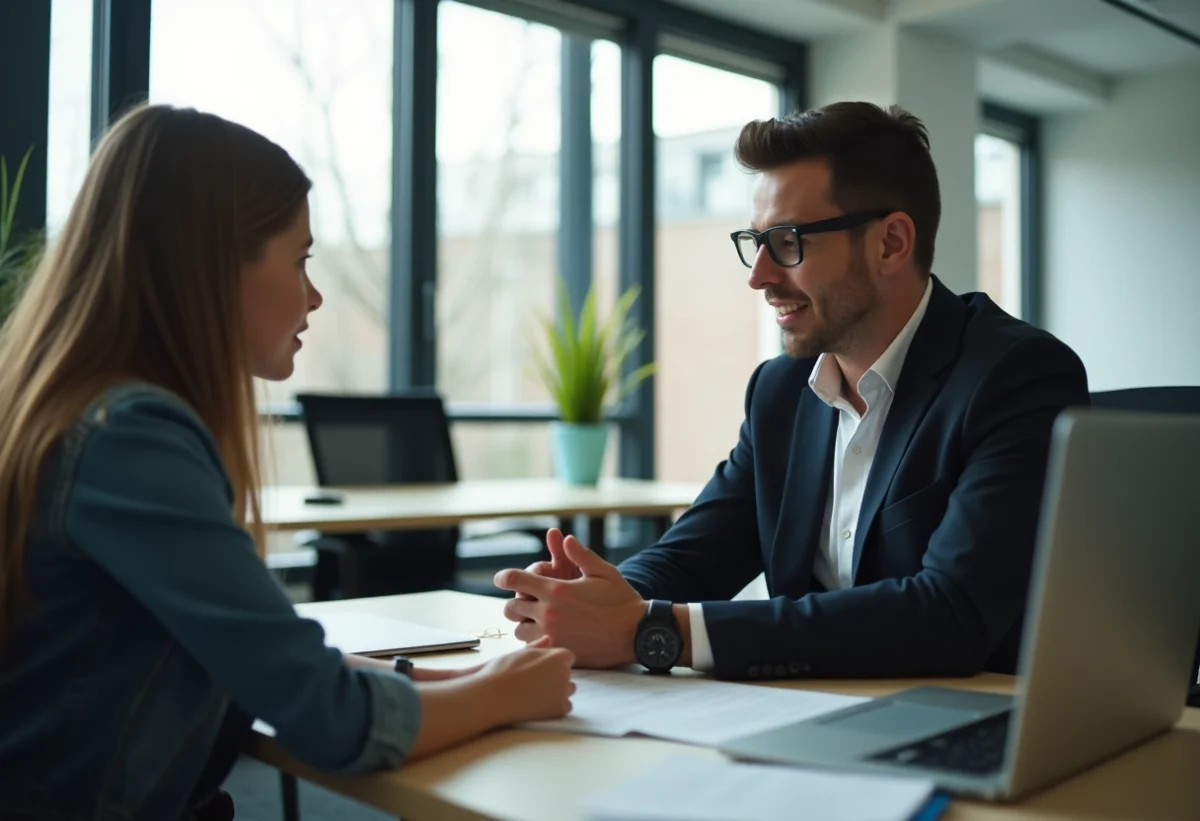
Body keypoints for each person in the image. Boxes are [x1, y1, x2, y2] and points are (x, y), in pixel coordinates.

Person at [0, 105, 574, 821]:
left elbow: (248, 658)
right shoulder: (132, 437)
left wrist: (449, 676)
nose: (314, 294)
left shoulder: (83, 413)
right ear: (210, 266)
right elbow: (329, 718)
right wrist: (506, 693)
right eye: (300, 258)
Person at [496, 101, 1089, 682]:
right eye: (754, 243)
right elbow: (696, 554)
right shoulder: (780, 391)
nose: (759, 275)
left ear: (890, 243)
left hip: (973, 718)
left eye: (787, 242)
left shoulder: (1016, 376)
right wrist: (597, 597)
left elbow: (951, 613)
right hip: (808, 711)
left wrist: (655, 631)